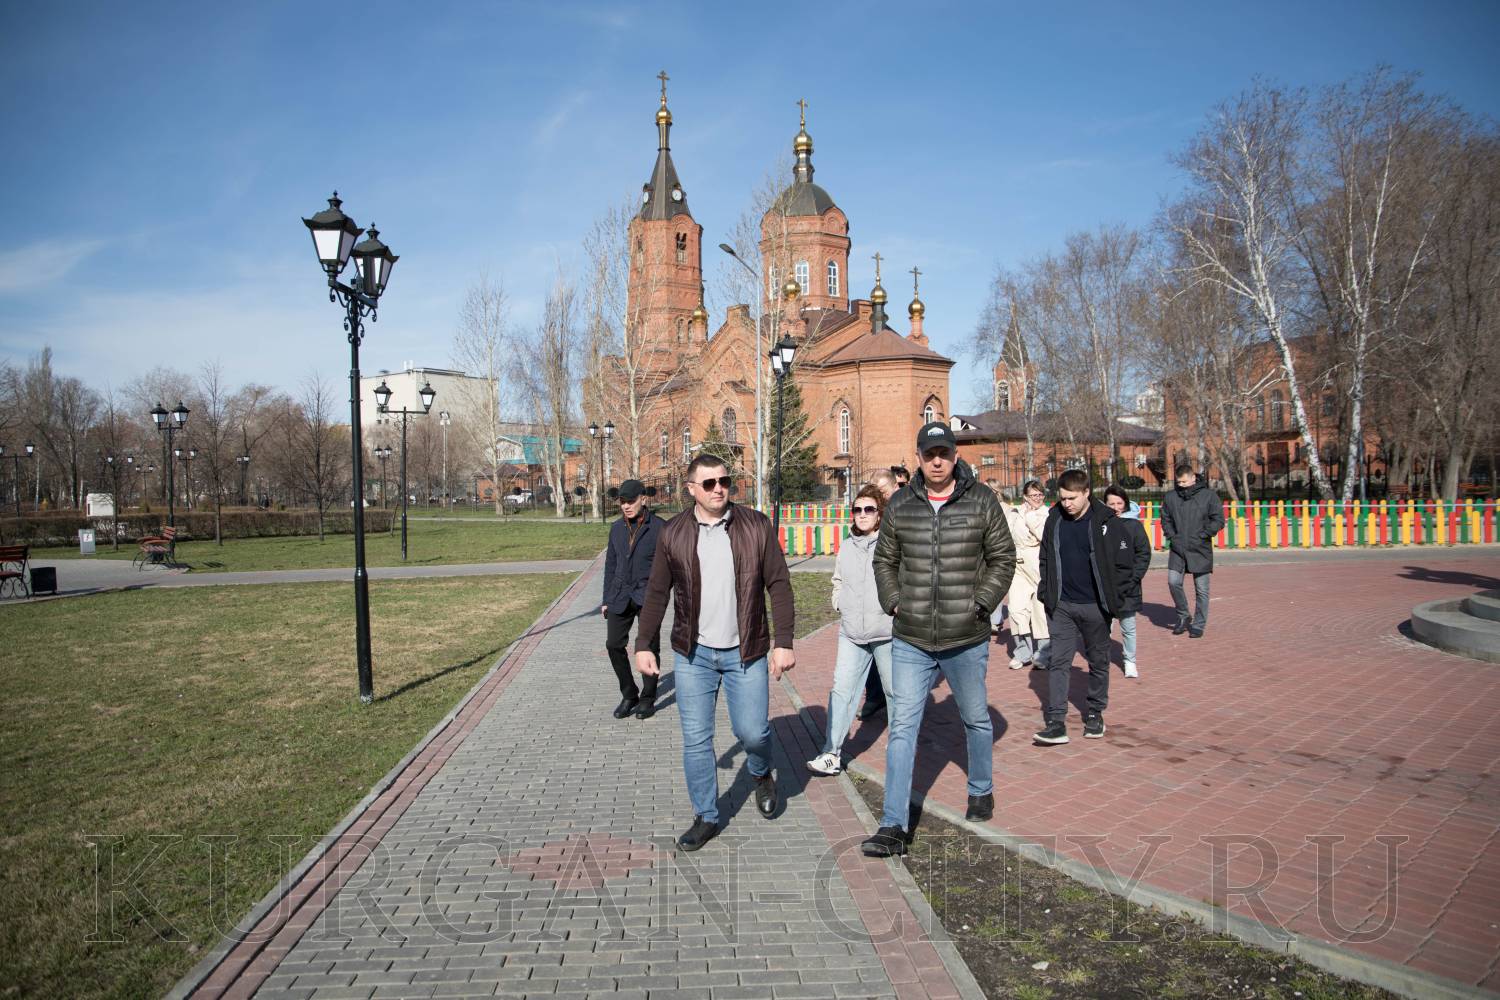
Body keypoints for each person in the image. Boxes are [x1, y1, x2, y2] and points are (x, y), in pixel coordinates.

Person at [862, 422, 1015, 857]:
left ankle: (980, 788)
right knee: (902, 727)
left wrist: (981, 604)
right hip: (911, 638)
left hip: (966, 636)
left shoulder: (981, 500)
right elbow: (884, 559)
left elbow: (1003, 557)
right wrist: (894, 601)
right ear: (918, 457)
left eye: (943, 453)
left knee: (976, 718)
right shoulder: (901, 503)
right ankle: (893, 824)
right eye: (929, 454)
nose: (936, 461)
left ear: (954, 455)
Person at [634, 455, 796, 852]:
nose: (719, 488)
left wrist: (784, 642)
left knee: (753, 732)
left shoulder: (755, 525)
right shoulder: (673, 533)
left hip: (747, 651)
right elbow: (657, 592)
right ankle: (706, 815)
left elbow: (778, 584)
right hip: (695, 655)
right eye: (709, 483)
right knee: (696, 739)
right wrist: (643, 644)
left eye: (724, 480)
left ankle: (760, 771)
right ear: (691, 489)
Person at [1033, 469, 1127, 745]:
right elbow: (1045, 557)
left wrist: (1116, 596)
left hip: (1096, 606)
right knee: (1059, 662)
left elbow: (1125, 563)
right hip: (1061, 605)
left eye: (1072, 498)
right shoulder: (1055, 519)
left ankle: (1095, 713)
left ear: (1087, 493)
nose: (1067, 504)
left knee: (1098, 661)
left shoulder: (1106, 521)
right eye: (1062, 498)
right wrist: (1046, 591)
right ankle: (1056, 722)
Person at [807, 484, 894, 776]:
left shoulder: (890, 543)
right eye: (857, 509)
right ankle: (831, 753)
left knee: (894, 692)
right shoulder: (847, 545)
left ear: (879, 513)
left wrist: (896, 609)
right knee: (842, 691)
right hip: (852, 632)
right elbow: (838, 580)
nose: (862, 514)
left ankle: (900, 747)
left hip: (886, 632)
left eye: (869, 509)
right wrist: (839, 603)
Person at [601, 480, 664, 719]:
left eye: (631, 501)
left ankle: (648, 698)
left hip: (648, 596)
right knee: (613, 644)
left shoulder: (659, 528)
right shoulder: (616, 528)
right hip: (619, 595)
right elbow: (611, 564)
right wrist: (606, 599)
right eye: (622, 502)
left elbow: (667, 567)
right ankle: (630, 694)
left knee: (649, 647)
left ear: (643, 499)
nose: (626, 506)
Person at [855, 469, 901, 721]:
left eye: (883, 490)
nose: (879, 494)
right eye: (876, 489)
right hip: (869, 601)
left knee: (893, 657)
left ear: (894, 487)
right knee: (873, 653)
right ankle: (875, 696)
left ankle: (898, 708)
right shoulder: (869, 512)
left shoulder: (902, 508)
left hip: (894, 598)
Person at [1160, 467, 1225, 638]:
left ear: (1193, 478)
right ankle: (1183, 615)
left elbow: (1218, 519)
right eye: (1178, 482)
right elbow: (1165, 518)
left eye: (1184, 481)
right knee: (1173, 582)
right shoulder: (1171, 497)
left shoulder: (1209, 496)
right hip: (1177, 548)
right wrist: (1172, 536)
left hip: (1200, 548)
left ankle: (1198, 624)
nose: (1181, 485)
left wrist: (1204, 535)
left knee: (1201, 589)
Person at [1102, 484, 1152, 679]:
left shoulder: (1134, 526)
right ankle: (1102, 658)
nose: (1115, 507)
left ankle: (1130, 660)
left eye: (1119, 503)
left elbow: (1143, 554)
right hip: (1105, 585)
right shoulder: (1100, 525)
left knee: (1128, 627)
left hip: (1127, 585)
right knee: (1103, 626)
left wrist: (1133, 578)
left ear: (1125, 504)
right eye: (1111, 503)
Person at [1005, 480, 1050, 670]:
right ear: (1025, 496)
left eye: (1040, 495)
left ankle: (1043, 654)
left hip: (1037, 562)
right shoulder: (1015, 512)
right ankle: (1023, 652)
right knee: (1016, 609)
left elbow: (1043, 535)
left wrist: (1031, 516)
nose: (1037, 498)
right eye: (1033, 495)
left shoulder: (1047, 513)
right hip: (1018, 563)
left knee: (1040, 610)